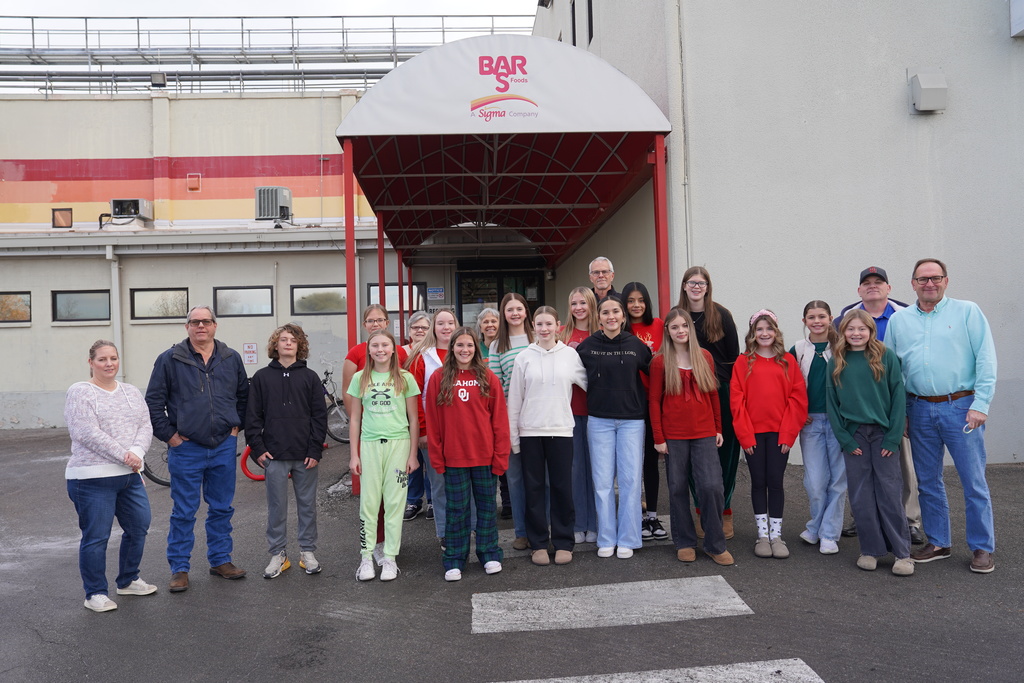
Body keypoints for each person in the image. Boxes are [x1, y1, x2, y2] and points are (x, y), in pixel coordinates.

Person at [887, 258, 997, 574]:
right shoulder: (900, 320)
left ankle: (981, 547)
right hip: (918, 408)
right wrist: (901, 413)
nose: (929, 284)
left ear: (946, 281)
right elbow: (893, 371)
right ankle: (938, 542)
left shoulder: (967, 312)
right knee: (928, 480)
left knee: (973, 480)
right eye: (922, 279)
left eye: (935, 278)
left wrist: (981, 404)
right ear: (913, 284)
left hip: (961, 407)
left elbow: (986, 360)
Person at [146, 305, 249, 593]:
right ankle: (179, 569)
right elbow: (154, 402)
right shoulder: (170, 359)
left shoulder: (230, 358)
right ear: (187, 327)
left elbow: (244, 395)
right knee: (184, 511)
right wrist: (170, 436)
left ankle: (220, 560)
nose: (200, 326)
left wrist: (236, 426)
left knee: (221, 507)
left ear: (215, 325)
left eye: (206, 321)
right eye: (195, 322)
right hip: (186, 449)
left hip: (223, 447)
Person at [65, 340, 156, 612]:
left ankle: (128, 580)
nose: (109, 364)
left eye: (113, 358)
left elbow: (145, 424)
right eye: (102, 359)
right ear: (91, 362)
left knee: (139, 526)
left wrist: (137, 451)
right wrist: (124, 454)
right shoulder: (81, 392)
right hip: (91, 480)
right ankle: (94, 593)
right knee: (97, 537)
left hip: (129, 475)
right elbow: (85, 432)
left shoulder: (130, 391)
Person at [835, 266, 923, 545]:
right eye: (867, 283)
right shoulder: (844, 320)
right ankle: (865, 519)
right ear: (859, 290)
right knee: (861, 470)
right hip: (860, 412)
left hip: (898, 402)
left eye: (879, 282)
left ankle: (909, 521)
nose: (873, 286)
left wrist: (905, 412)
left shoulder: (906, 315)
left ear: (889, 287)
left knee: (900, 469)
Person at [826, 311, 913, 576]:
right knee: (861, 495)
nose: (856, 333)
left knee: (889, 492)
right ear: (843, 332)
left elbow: (898, 396)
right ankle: (870, 549)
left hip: (883, 435)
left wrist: (893, 436)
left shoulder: (885, 356)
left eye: (861, 329)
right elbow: (832, 404)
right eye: (850, 329)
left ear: (871, 330)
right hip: (855, 438)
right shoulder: (837, 360)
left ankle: (901, 553)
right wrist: (845, 439)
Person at [649, 309, 733, 566]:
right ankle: (684, 542)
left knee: (711, 486)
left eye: (684, 326)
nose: (680, 331)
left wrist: (718, 428)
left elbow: (712, 394)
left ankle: (714, 543)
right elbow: (654, 401)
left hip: (704, 432)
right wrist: (658, 437)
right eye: (674, 327)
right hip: (673, 435)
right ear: (668, 332)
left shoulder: (704, 356)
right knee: (677, 489)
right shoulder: (660, 362)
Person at [426, 327, 510, 581]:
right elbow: (433, 421)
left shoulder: (488, 377)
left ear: (476, 348)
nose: (465, 350)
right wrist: (437, 458)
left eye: (470, 345)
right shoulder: (439, 378)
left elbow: (499, 420)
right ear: (452, 347)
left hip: (484, 457)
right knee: (457, 510)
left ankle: (489, 553)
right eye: (460, 345)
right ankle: (454, 557)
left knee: (486, 508)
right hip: (454, 458)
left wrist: (500, 456)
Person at [245, 324, 327, 580]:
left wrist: (315, 449)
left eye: (293, 340)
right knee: (277, 508)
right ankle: (278, 554)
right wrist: (258, 449)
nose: (288, 343)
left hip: (305, 456)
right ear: (276, 345)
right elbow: (252, 416)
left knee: (307, 507)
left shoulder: (310, 377)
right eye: (283, 339)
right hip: (274, 456)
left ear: (299, 345)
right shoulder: (261, 377)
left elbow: (319, 417)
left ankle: (307, 552)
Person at [508, 306, 587, 566]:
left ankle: (564, 541)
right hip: (530, 431)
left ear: (558, 326)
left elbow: (590, 384)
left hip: (561, 429)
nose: (544, 329)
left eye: (548, 324)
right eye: (539, 324)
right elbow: (515, 399)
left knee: (562, 488)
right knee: (534, 489)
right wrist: (514, 437)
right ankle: (539, 543)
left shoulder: (570, 355)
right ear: (533, 326)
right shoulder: (524, 357)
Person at [576, 295, 653, 559]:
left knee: (631, 481)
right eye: (605, 312)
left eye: (616, 312)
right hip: (599, 420)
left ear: (623, 316)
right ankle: (607, 537)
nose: (611, 316)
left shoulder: (637, 346)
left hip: (632, 420)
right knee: (602, 482)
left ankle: (629, 538)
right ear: (598, 317)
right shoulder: (586, 347)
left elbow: (654, 374)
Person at [730, 310, 808, 559]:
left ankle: (777, 535)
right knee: (758, 481)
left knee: (775, 481)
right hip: (753, 433)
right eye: (759, 329)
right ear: (753, 334)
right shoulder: (743, 362)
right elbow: (736, 400)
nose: (764, 333)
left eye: (769, 329)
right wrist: (745, 435)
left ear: (776, 332)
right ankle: (762, 535)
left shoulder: (787, 361)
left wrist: (788, 434)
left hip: (778, 434)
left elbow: (797, 400)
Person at [348, 330, 420, 582]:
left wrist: (413, 454)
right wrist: (353, 455)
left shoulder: (405, 378)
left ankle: (390, 557)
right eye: (375, 345)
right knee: (368, 504)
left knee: (394, 504)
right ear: (368, 350)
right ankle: (366, 557)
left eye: (385, 345)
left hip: (398, 445)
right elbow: (355, 418)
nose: (380, 349)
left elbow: (414, 419)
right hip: (369, 445)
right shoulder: (360, 378)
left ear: (393, 349)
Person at [676, 266, 741, 540]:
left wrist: (716, 380)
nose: (696, 287)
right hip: (686, 393)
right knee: (692, 457)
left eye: (701, 283)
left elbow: (733, 356)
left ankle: (724, 509)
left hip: (719, 390)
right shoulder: (677, 316)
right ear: (684, 286)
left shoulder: (721, 315)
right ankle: (702, 509)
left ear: (707, 286)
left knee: (724, 453)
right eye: (692, 282)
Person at [343, 305, 410, 559]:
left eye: (380, 319)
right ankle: (374, 545)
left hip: (397, 438)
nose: (376, 324)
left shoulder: (401, 352)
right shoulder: (356, 354)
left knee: (394, 497)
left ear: (388, 322)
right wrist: (359, 429)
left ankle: (391, 549)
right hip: (369, 436)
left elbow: (407, 393)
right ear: (364, 325)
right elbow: (350, 396)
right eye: (370, 321)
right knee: (371, 499)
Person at [790, 301, 847, 555]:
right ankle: (815, 524)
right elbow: (789, 386)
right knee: (815, 481)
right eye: (811, 317)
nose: (817, 321)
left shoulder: (843, 347)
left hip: (839, 421)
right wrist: (797, 414)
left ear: (830, 318)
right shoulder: (798, 350)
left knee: (838, 480)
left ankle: (828, 533)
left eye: (822, 316)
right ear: (804, 321)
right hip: (811, 422)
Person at [408, 308, 460, 545]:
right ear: (433, 328)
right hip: (434, 433)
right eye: (441, 323)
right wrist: (423, 430)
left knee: (463, 485)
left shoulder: (465, 351)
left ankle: (463, 530)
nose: (446, 327)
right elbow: (414, 397)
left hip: (462, 433)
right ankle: (444, 534)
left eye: (450, 322)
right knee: (439, 486)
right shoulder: (422, 357)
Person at [488, 292, 536, 550]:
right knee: (515, 479)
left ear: (526, 311)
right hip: (511, 420)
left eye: (519, 308)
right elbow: (495, 387)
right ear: (503, 314)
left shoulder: (537, 337)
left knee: (541, 478)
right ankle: (521, 531)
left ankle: (543, 528)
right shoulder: (497, 345)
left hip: (539, 419)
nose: (515, 313)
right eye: (510, 310)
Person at [621, 281, 667, 542]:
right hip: (629, 400)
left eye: (640, 300)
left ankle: (652, 515)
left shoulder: (659, 325)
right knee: (630, 461)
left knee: (651, 460)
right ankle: (635, 514)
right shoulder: (621, 327)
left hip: (654, 399)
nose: (636, 305)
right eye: (630, 301)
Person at [560, 286, 600, 544]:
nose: (578, 308)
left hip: (598, 410)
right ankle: (578, 521)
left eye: (583, 303)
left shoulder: (601, 331)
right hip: (569, 409)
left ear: (591, 305)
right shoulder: (561, 334)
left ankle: (596, 522)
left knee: (597, 469)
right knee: (575, 469)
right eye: (574, 303)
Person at [403, 310, 433, 520]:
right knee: (410, 461)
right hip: (405, 415)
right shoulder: (401, 353)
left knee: (430, 461)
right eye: (416, 327)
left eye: (424, 327)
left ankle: (432, 500)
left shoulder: (434, 353)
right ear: (409, 331)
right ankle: (413, 501)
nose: (420, 331)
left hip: (431, 415)